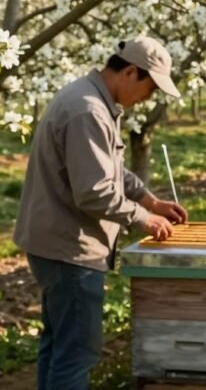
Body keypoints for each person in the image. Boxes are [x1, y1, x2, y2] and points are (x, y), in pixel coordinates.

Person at [14, 36, 189, 390]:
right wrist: (143, 219)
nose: (148, 99)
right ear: (130, 72)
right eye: (150, 89)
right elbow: (94, 192)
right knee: (78, 353)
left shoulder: (91, 101)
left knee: (59, 346)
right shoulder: (88, 111)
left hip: (56, 244)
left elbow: (109, 169)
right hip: (71, 249)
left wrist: (150, 201)